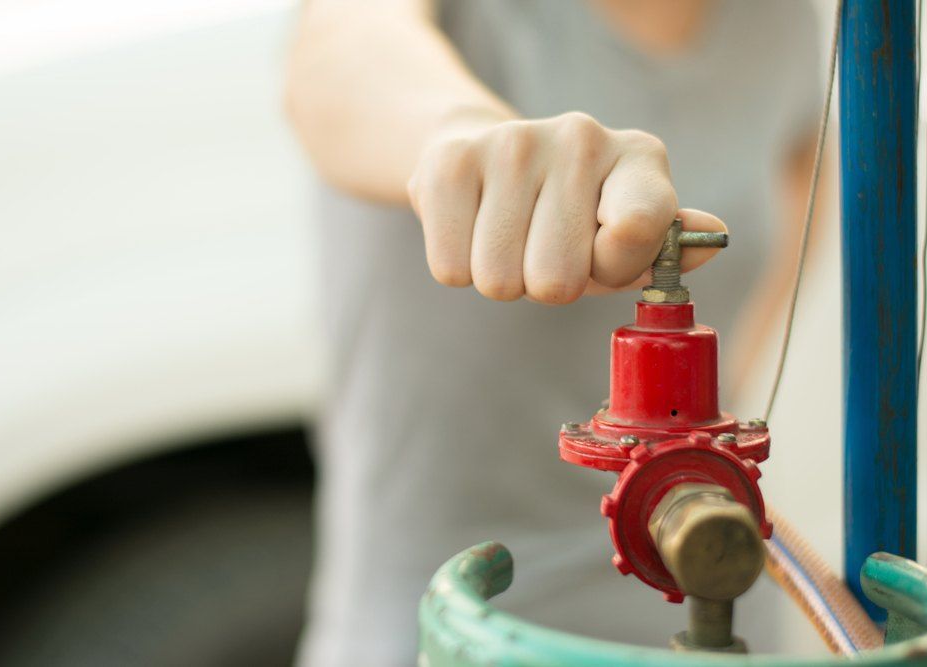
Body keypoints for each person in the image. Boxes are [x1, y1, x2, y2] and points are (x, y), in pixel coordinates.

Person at [285, 1, 821, 664]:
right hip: (451, 628)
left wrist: (707, 410)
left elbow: (802, 178)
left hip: (716, 607)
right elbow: (339, 52)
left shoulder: (784, 20)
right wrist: (469, 139)